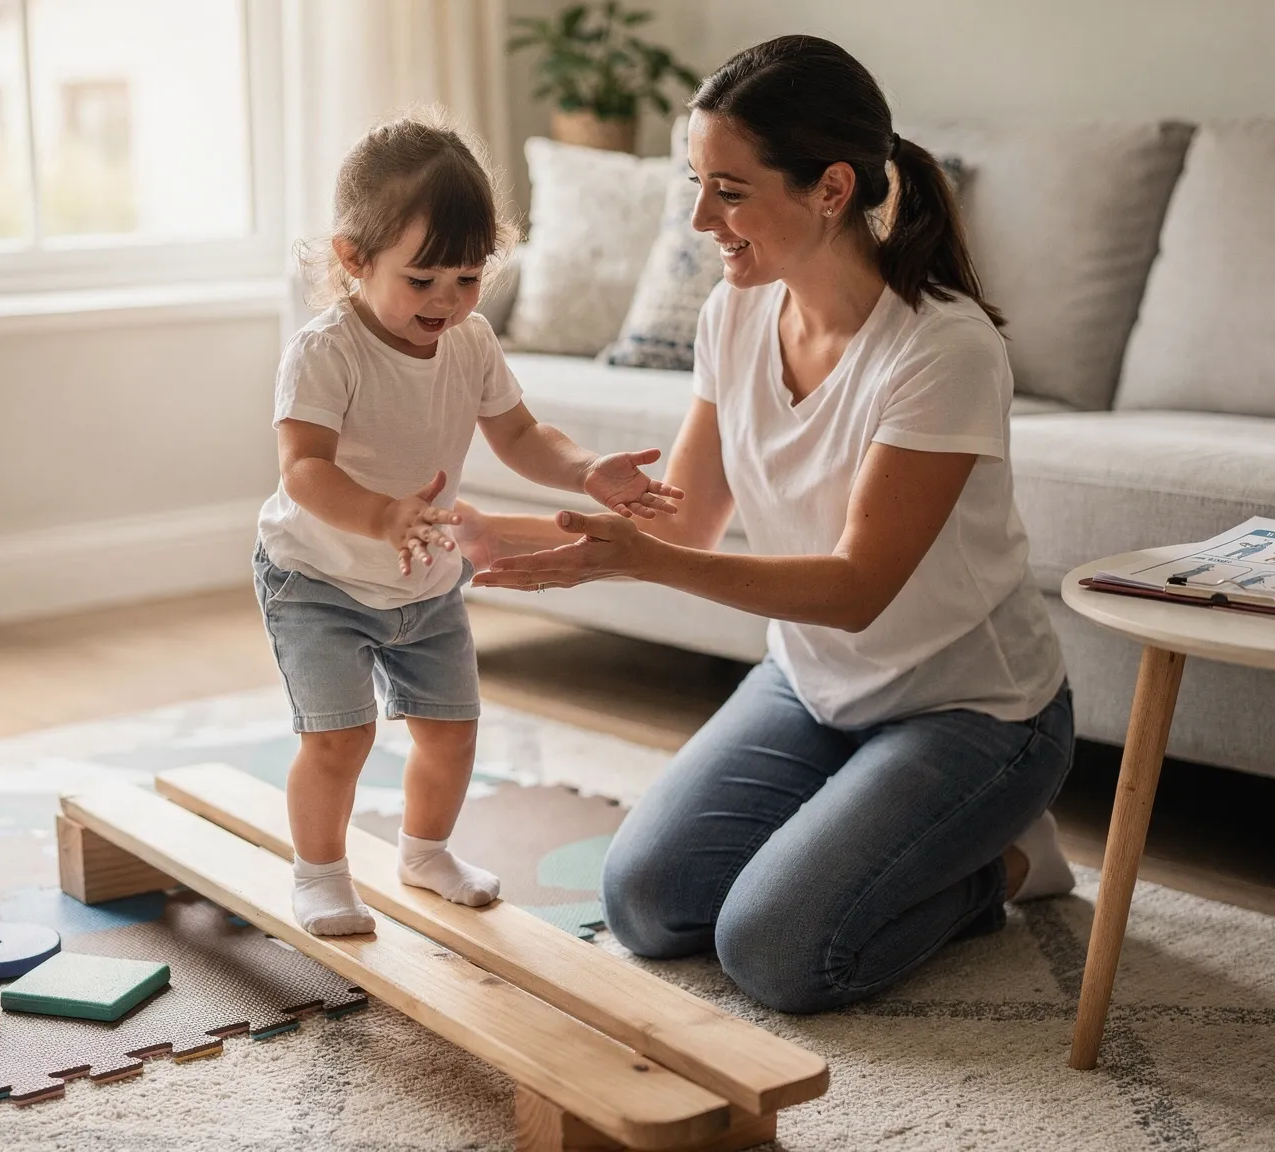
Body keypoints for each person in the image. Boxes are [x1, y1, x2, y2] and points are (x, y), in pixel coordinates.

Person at [459, 36, 1075, 1013]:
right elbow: (688, 520)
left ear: (830, 188)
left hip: (971, 712)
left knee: (779, 951)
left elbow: (854, 588)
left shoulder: (940, 349)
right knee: (646, 904)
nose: (701, 219)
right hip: (811, 687)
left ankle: (1002, 864)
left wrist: (646, 561)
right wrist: (473, 530)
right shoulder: (733, 316)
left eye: (729, 190)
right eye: (695, 184)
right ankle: (878, 839)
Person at [258, 114, 682, 936]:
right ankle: (318, 873)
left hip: (426, 577)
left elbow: (521, 436)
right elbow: (302, 468)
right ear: (353, 258)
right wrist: (383, 514)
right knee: (340, 741)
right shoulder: (326, 351)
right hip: (316, 579)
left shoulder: (471, 341)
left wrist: (588, 470)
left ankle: (425, 853)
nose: (446, 301)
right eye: (421, 280)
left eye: (468, 277)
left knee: (450, 734)